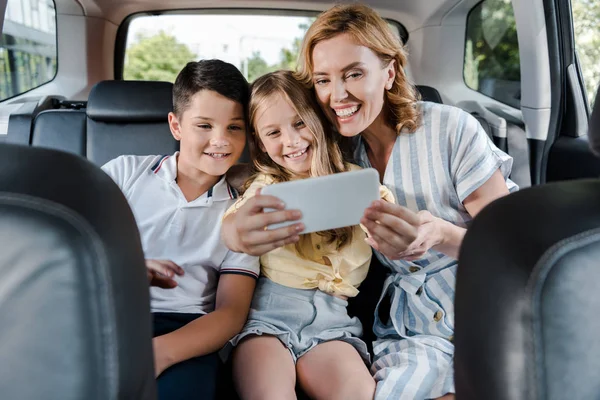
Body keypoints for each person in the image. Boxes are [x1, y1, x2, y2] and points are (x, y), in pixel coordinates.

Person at [223, 4, 519, 400]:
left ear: (390, 72)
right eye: (323, 80)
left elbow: (509, 251)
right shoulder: (332, 156)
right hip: (412, 328)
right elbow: (258, 193)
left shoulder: (451, 130)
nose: (337, 94)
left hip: (485, 303)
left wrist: (439, 234)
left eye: (354, 74)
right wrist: (237, 229)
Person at [221, 70, 395, 400]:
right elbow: (235, 223)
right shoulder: (267, 187)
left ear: (319, 119)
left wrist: (385, 225)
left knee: (358, 393)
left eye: (300, 123)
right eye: (274, 132)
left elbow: (389, 214)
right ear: (260, 143)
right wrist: (237, 232)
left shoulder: (358, 182)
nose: (292, 141)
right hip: (268, 318)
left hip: (333, 323)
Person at [102, 59, 259, 400]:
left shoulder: (244, 210)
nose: (220, 140)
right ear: (176, 125)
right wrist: (125, 270)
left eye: (235, 127)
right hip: (106, 313)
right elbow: (70, 245)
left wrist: (162, 353)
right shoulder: (124, 173)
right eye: (204, 125)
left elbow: (231, 313)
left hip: (186, 331)